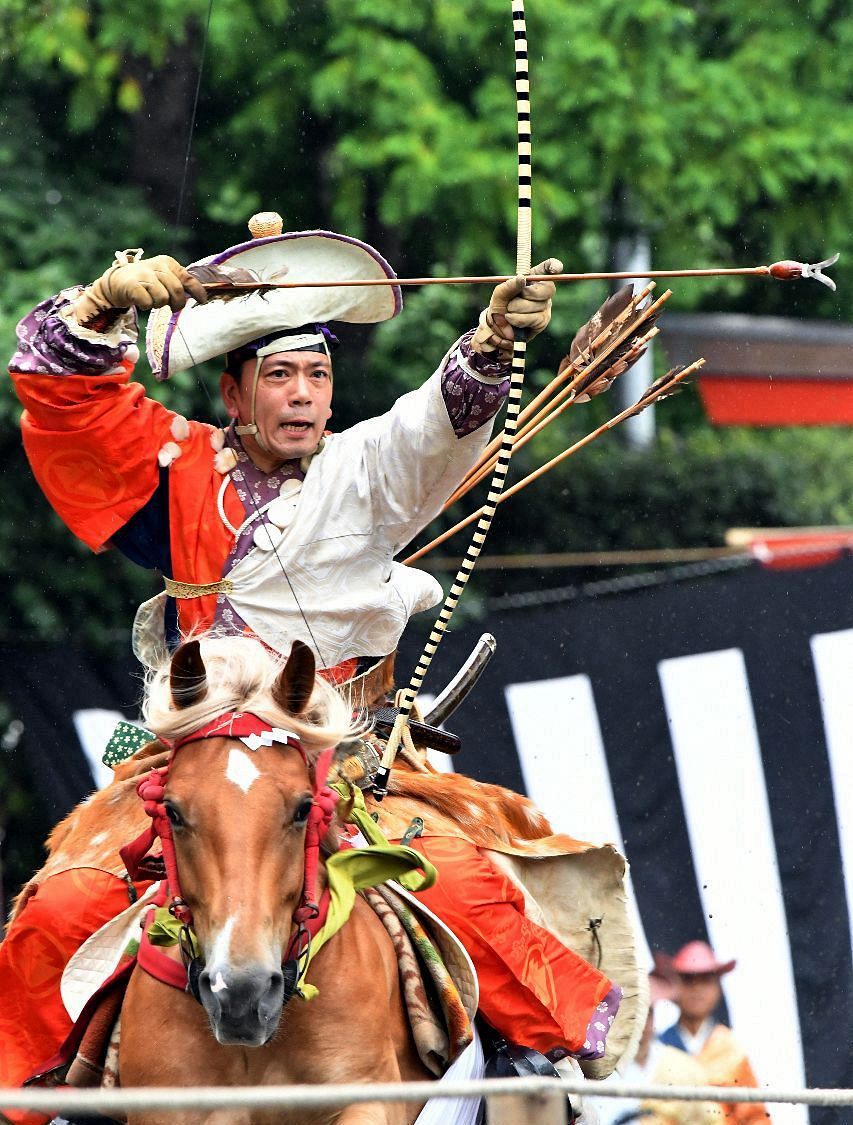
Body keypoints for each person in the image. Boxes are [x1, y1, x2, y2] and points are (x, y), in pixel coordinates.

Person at [1, 215, 629, 1114]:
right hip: (189, 753)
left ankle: (526, 1055)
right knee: (64, 898)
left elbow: (432, 425)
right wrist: (100, 305)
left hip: (343, 754)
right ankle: (32, 1089)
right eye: (280, 376)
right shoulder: (175, 465)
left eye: (318, 376)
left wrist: (492, 341)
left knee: (460, 879)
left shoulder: (362, 468)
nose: (302, 395)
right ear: (233, 392)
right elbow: (63, 399)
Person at [591, 971, 724, 1125]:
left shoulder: (685, 1068)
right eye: (632, 1014)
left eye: (648, 1013)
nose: (640, 1023)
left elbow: (710, 1120)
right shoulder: (595, 1072)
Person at [659, 942, 769, 1123]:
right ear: (675, 986)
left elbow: (754, 1116)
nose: (697, 989)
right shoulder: (659, 1047)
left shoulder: (731, 1049)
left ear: (717, 988)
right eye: (688, 980)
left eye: (706, 980)